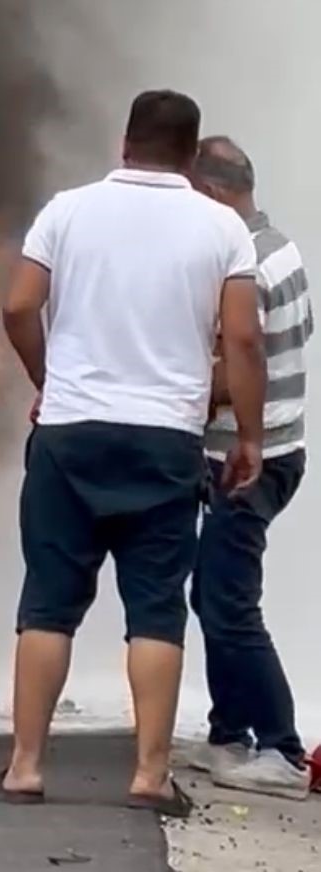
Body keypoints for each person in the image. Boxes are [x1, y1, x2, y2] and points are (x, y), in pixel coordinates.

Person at [0, 90, 267, 819]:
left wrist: (51, 382)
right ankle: (148, 776)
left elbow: (18, 306)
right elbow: (240, 341)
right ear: (191, 151)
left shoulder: (67, 210)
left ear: (126, 142)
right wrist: (249, 437)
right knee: (155, 610)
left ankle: (24, 766)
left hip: (71, 435)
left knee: (48, 603)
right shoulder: (222, 230)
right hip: (165, 442)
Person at [188, 136, 314, 801]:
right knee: (212, 593)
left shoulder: (249, 267)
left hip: (248, 460)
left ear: (212, 194)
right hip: (279, 450)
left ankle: (282, 750)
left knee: (230, 605)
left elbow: (244, 371)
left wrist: (176, 389)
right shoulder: (281, 247)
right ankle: (229, 733)